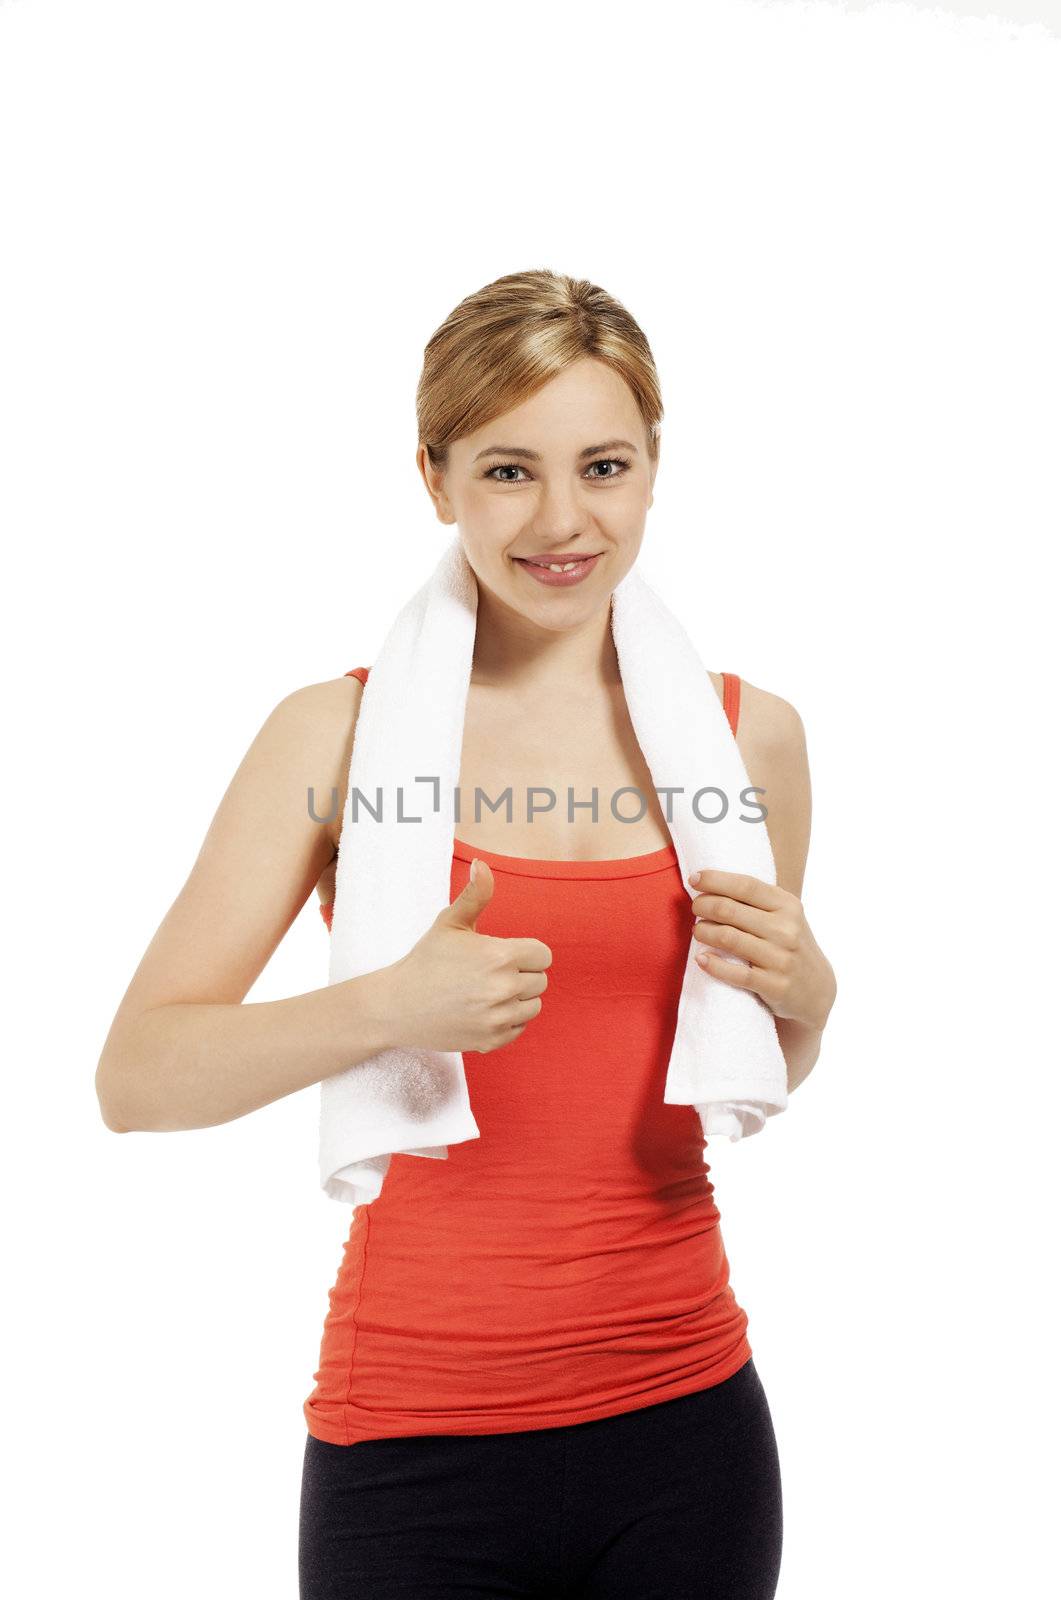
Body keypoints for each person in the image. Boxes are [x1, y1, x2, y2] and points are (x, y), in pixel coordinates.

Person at [96, 268, 837, 1599]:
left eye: (603, 466)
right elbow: (136, 1080)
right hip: (413, 1444)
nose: (563, 519)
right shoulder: (332, 741)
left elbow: (752, 1063)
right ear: (434, 479)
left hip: (688, 1426)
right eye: (508, 470)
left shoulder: (750, 739)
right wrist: (386, 1006)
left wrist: (816, 998)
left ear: (656, 470)